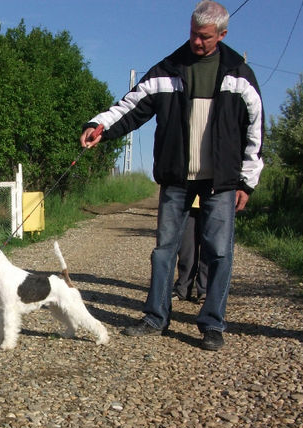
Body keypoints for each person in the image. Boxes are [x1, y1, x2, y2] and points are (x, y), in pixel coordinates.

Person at [80, 0, 263, 351]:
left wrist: (247, 181)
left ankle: (212, 324)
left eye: (205, 37)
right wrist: (99, 125)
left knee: (219, 252)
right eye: (194, 34)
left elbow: (255, 130)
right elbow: (131, 105)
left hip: (221, 182)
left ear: (222, 34)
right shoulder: (168, 68)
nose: (197, 42)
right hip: (176, 179)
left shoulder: (240, 75)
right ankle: (155, 317)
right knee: (164, 250)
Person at [173, 195, 208, 303]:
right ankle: (182, 290)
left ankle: (205, 290)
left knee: (208, 249)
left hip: (211, 201)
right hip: (187, 201)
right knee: (186, 250)